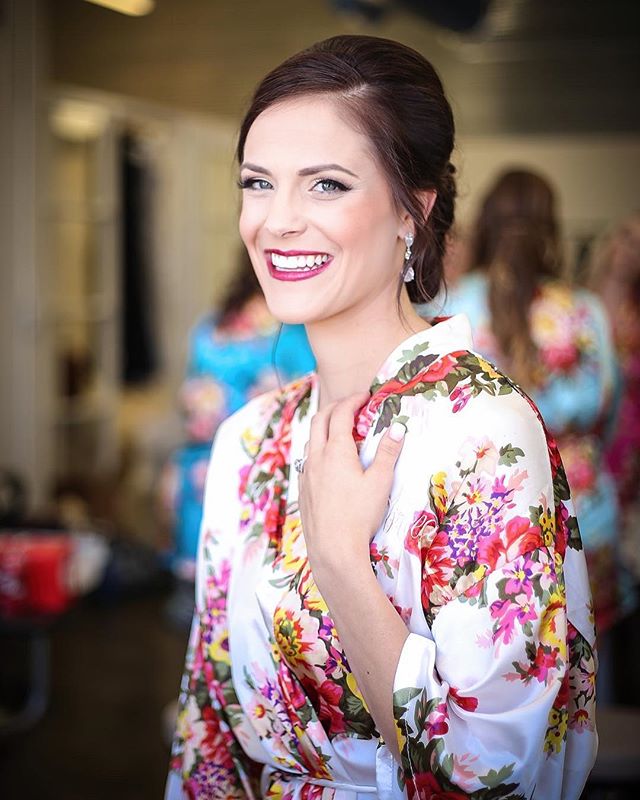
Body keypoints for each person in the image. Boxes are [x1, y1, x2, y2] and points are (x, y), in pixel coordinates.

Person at [167, 38, 597, 800]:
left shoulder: (485, 433)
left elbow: (497, 776)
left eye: (326, 185)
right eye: (257, 183)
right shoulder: (253, 438)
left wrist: (340, 562)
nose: (277, 221)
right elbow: (206, 730)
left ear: (413, 210)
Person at [421, 169, 623, 647]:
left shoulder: (450, 308)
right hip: (584, 512)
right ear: (550, 229)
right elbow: (608, 416)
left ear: (485, 225)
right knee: (591, 669)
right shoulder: (585, 311)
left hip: (488, 523)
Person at [160, 247, 315, 575]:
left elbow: (312, 393)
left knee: (226, 575)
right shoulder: (224, 322)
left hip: (237, 458)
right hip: (221, 457)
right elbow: (193, 383)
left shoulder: (286, 327)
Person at [587, 212, 640, 582]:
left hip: (627, 434)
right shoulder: (578, 302)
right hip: (586, 432)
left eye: (637, 244)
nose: (627, 250)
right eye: (624, 235)